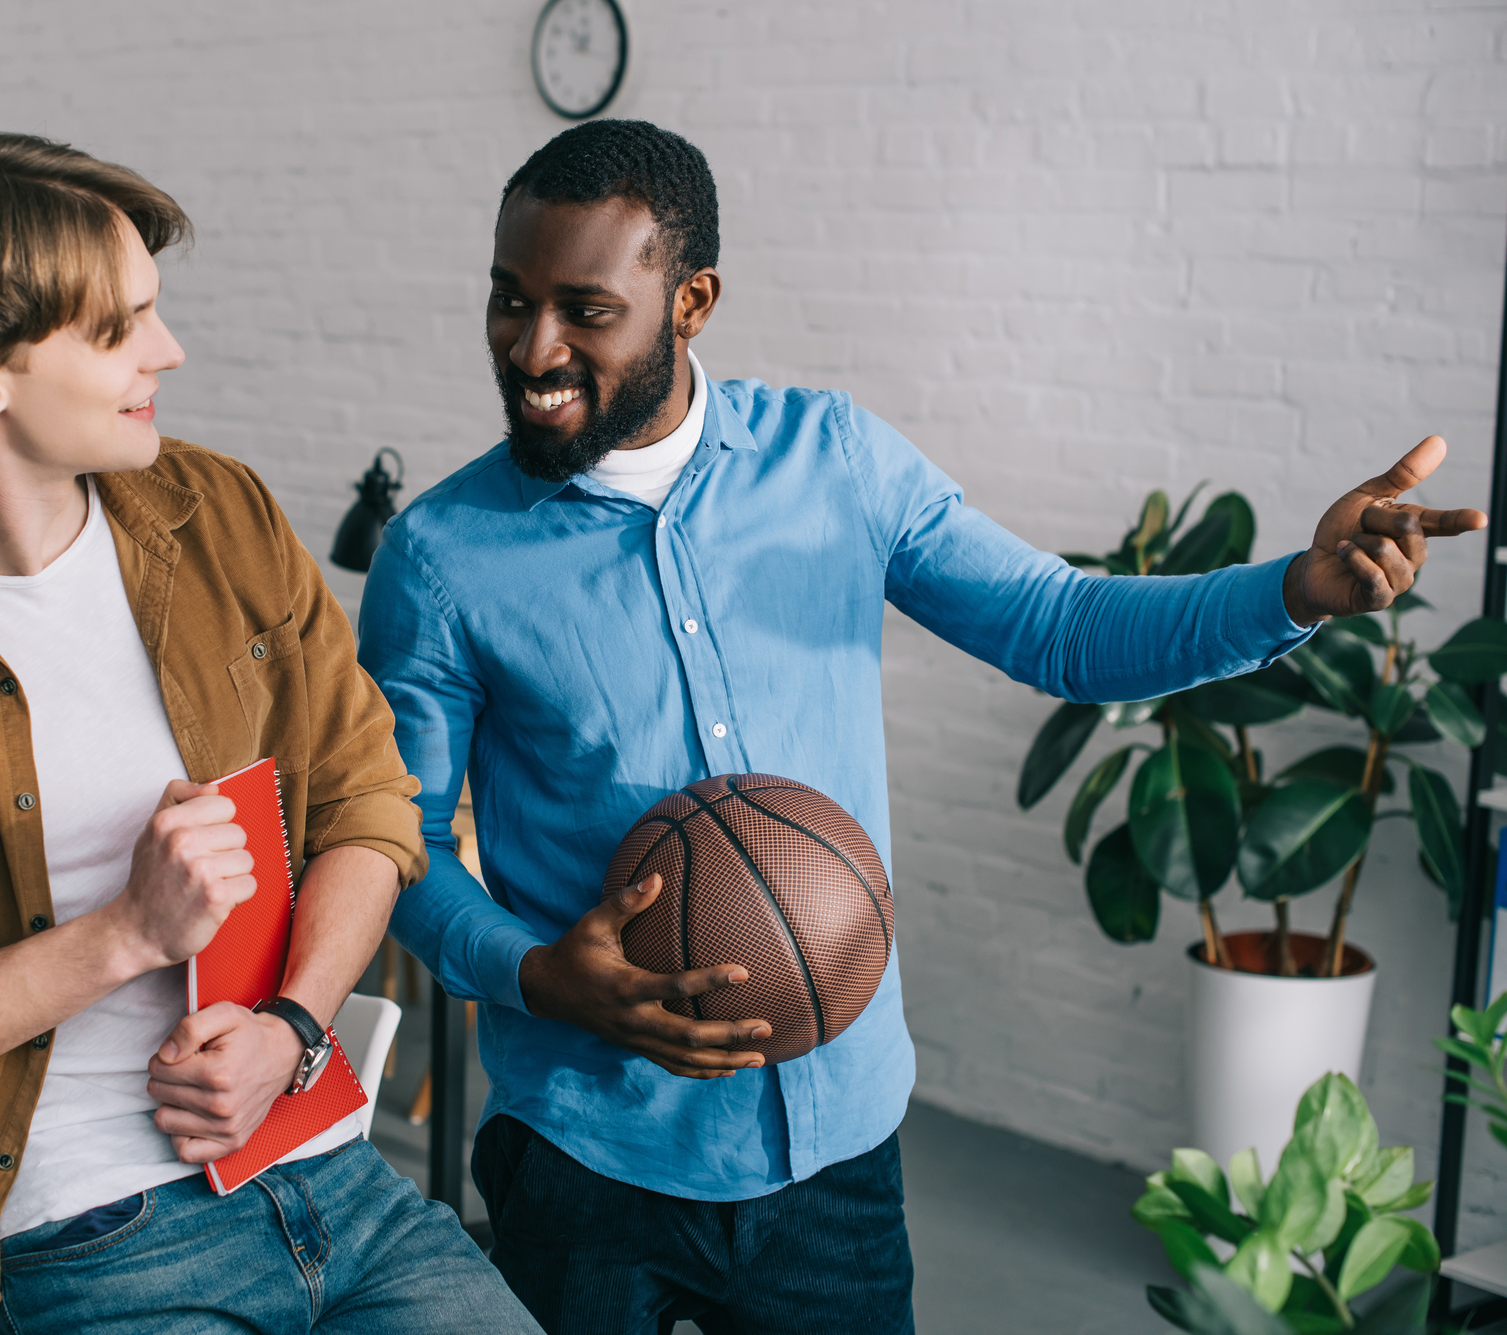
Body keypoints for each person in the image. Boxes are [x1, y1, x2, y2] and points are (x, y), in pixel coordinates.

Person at [355, 119, 1487, 1335]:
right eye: (506, 301)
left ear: (690, 300)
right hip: (584, 1151)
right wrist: (539, 976)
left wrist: (1295, 592)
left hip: (835, 1140)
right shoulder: (440, 557)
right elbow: (394, 842)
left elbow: (1058, 626)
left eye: (584, 311)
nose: (534, 349)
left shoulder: (835, 460)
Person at [0, 132, 539, 1335]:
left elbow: (367, 798)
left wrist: (290, 1031)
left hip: (335, 1181)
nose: (168, 351)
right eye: (117, 329)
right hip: (87, 1244)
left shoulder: (225, 519)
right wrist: (124, 936)